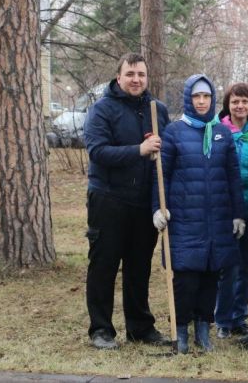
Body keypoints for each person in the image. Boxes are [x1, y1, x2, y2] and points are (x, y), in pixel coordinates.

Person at [152, 75, 245, 354]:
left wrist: (237, 214)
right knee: (186, 278)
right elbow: (161, 175)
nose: (202, 102)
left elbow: (232, 176)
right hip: (184, 218)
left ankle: (203, 330)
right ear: (188, 99)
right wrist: (158, 206)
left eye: (206, 96)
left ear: (213, 99)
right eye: (196, 97)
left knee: (210, 276)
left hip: (216, 218)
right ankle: (180, 331)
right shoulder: (174, 132)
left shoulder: (222, 133)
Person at [83, 53, 170, 350]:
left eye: (141, 74)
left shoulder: (156, 110)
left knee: (139, 266)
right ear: (119, 77)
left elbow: (167, 153)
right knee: (104, 266)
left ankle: (140, 327)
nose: (136, 79)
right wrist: (139, 150)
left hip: (143, 201)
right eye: (131, 74)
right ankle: (101, 330)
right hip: (108, 198)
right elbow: (97, 152)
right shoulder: (102, 110)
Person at [214, 83, 248, 339]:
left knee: (244, 266)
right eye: (235, 102)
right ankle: (222, 319)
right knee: (227, 266)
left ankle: (238, 317)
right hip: (224, 209)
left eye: (244, 101)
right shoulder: (217, 133)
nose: (240, 106)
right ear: (228, 105)